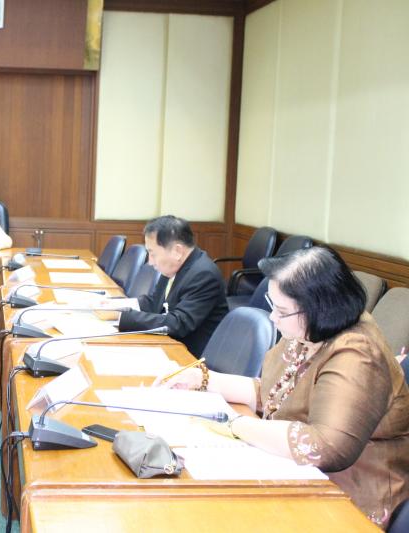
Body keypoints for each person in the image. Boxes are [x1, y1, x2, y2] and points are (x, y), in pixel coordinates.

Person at [157, 246, 409, 527]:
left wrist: (234, 425)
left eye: (282, 310)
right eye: (273, 305)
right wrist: (203, 379)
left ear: (319, 308)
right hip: (297, 472)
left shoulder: (357, 354)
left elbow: (322, 446)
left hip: (348, 495)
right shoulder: (310, 329)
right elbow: (274, 393)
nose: (273, 318)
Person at [117, 215, 228, 356]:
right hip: (170, 344)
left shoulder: (204, 274)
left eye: (153, 254)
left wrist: (124, 317)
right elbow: (154, 302)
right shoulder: (173, 267)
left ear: (177, 251)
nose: (150, 262)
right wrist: (114, 306)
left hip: (191, 356)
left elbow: (179, 323)